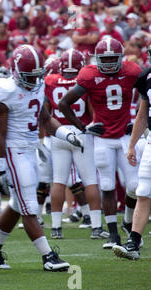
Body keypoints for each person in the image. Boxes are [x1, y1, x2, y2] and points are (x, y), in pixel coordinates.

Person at [0, 44, 80, 272]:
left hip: (30, 149)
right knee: (29, 207)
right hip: (13, 151)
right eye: (29, 76)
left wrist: (68, 133)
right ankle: (48, 256)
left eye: (37, 76)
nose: (34, 81)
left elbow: (45, 120)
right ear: (15, 71)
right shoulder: (2, 90)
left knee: (18, 204)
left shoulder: (37, 85)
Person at [58, 38, 142, 249]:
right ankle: (113, 234)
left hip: (125, 136)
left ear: (121, 57)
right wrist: (83, 127)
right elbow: (63, 103)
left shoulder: (132, 70)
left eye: (113, 58)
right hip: (103, 138)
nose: (110, 62)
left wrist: (137, 120)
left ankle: (129, 222)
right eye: (105, 59)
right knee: (106, 185)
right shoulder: (89, 74)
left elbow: (146, 96)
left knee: (134, 186)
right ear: (98, 59)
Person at [44, 48, 108, 240]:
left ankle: (56, 228)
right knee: (90, 180)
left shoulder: (51, 81)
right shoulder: (84, 80)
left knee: (58, 180)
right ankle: (96, 226)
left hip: (59, 133)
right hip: (81, 132)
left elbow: (46, 112)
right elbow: (92, 110)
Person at [112, 45, 151, 260]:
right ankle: (133, 242)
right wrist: (131, 145)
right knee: (143, 191)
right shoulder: (147, 76)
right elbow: (142, 114)